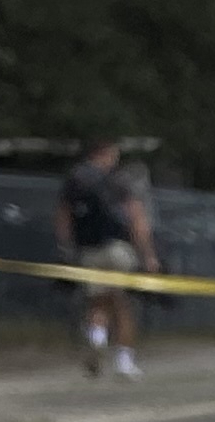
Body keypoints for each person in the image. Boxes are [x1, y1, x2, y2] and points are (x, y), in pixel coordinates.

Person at [62, 134, 159, 379]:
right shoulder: (118, 179)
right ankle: (124, 363)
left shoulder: (76, 178)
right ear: (107, 152)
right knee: (122, 304)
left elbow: (62, 214)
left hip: (88, 251)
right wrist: (148, 254)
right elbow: (136, 218)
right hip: (117, 248)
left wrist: (66, 247)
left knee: (97, 302)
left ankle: (97, 338)